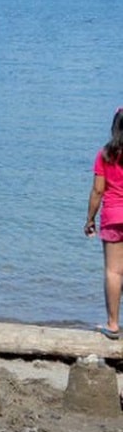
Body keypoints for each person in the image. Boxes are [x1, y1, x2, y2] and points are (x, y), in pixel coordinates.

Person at [85, 108, 123, 338]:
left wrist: (89, 219)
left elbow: (98, 190)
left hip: (113, 218)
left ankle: (112, 324)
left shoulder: (106, 154)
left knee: (113, 271)